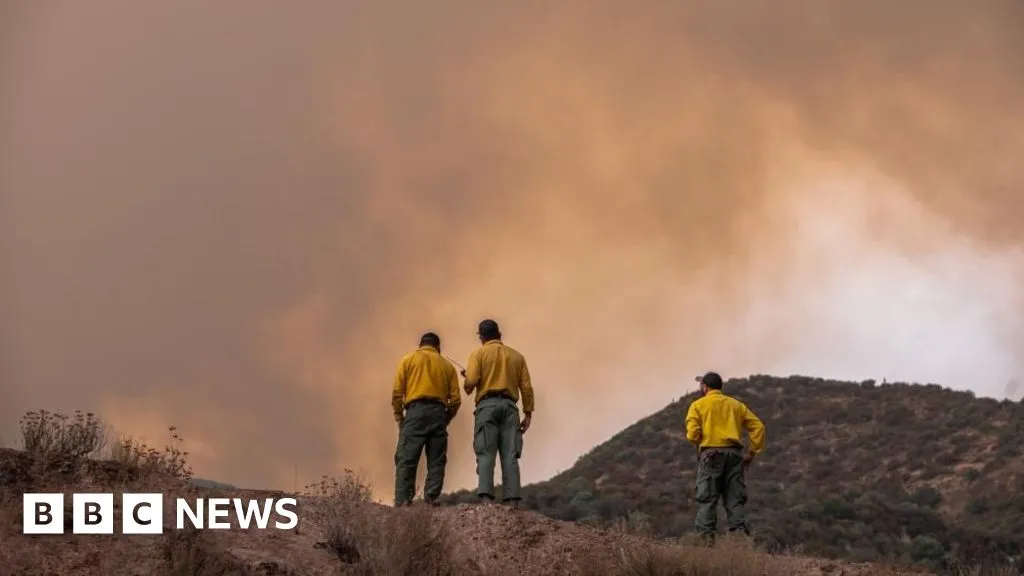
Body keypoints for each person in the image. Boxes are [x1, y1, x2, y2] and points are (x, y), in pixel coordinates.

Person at [685, 371, 766, 545]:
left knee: (707, 500)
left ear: (705, 387)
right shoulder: (736, 405)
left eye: (701, 385)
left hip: (711, 456)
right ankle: (740, 546)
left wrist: (701, 439)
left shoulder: (697, 406)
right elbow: (758, 427)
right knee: (734, 501)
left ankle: (705, 546)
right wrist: (751, 453)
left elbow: (692, 435)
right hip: (735, 457)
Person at [462, 319, 534, 506]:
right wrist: (528, 413)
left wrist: (468, 379)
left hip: (487, 407)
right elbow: (526, 388)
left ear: (481, 336)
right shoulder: (517, 357)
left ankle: (486, 498)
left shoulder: (478, 354)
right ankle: (512, 501)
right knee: (510, 455)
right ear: (499, 334)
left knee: (486, 453)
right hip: (510, 409)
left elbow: (470, 384)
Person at [391, 331, 461, 507]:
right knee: (437, 459)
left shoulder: (408, 360)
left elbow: (397, 394)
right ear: (438, 347)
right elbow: (456, 400)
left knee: (406, 458)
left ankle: (403, 502)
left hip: (414, 413)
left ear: (420, 345)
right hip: (438, 412)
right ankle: (431, 499)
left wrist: (400, 418)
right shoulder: (447, 367)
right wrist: (446, 418)